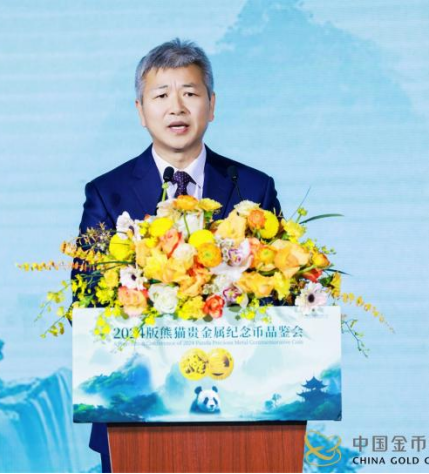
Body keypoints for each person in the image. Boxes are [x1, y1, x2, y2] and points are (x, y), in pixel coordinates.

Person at [71, 38, 282, 473]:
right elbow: (84, 296)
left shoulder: (253, 188)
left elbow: (282, 296)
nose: (176, 108)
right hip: (138, 409)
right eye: (161, 96)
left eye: (189, 93)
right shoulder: (107, 193)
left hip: (239, 404)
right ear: (140, 111)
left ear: (211, 104)